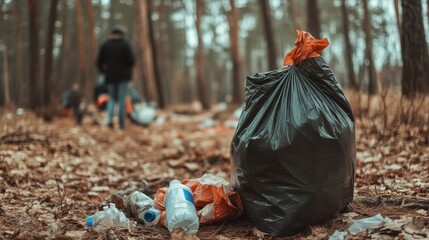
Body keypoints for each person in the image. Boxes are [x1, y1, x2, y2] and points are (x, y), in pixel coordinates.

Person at [96, 26, 135, 129]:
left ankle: (110, 120)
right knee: (122, 100)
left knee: (112, 99)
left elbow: (99, 62)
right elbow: (131, 61)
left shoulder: (105, 45)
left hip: (110, 77)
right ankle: (121, 124)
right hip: (124, 77)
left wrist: (104, 72)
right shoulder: (125, 45)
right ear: (122, 34)